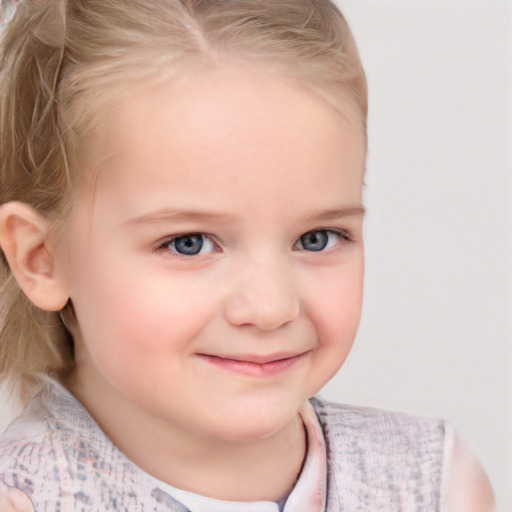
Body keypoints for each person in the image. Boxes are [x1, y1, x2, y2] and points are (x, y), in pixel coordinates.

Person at [0, 1, 495, 510]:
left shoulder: (435, 483)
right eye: (188, 243)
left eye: (317, 238)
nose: (271, 306)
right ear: (42, 258)